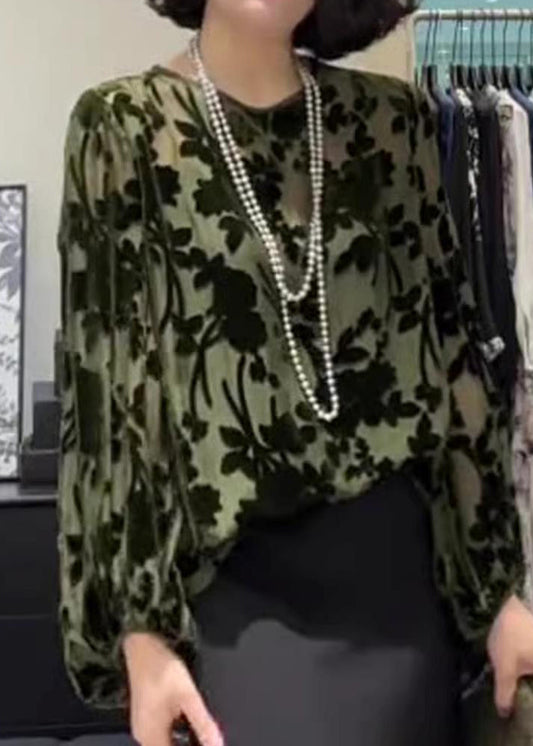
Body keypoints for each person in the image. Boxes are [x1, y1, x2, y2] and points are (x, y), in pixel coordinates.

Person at [55, 0, 533, 744]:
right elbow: (110, 407)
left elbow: (451, 366)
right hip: (234, 599)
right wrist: (140, 635)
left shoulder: (393, 123)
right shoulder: (124, 129)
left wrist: (497, 594)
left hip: (397, 596)